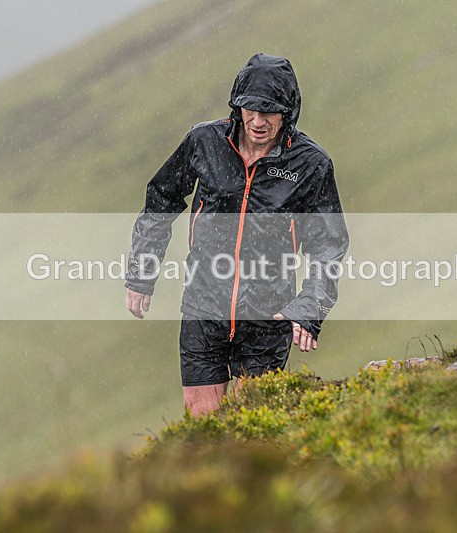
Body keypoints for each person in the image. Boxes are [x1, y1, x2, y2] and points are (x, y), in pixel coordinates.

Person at [125, 53, 349, 417]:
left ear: (288, 112)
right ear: (237, 106)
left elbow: (329, 245)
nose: (258, 122)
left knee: (252, 419)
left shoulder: (311, 164)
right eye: (250, 110)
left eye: (270, 112)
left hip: (268, 316)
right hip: (203, 307)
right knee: (203, 421)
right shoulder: (204, 142)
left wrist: (311, 305)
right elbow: (162, 198)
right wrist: (141, 273)